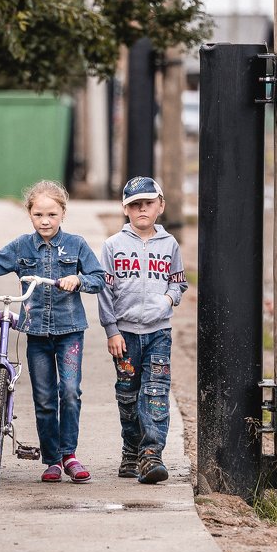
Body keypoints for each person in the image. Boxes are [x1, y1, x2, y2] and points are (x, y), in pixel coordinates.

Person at [0, 180, 106, 484]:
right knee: (44, 397)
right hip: (37, 334)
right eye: (38, 215)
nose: (45, 221)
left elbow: (98, 277)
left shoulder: (76, 245)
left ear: (63, 214)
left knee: (69, 392)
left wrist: (78, 280)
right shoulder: (22, 246)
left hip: (70, 331)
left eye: (52, 215)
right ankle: (52, 461)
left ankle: (69, 455)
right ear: (29, 214)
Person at [97, 177, 188, 484]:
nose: (142, 210)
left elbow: (179, 282)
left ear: (160, 205)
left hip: (159, 332)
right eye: (135, 205)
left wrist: (167, 299)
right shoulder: (113, 246)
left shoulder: (169, 245)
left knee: (156, 392)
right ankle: (131, 450)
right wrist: (112, 330)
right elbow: (104, 291)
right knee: (128, 393)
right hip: (124, 334)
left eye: (148, 203)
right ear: (125, 209)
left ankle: (151, 455)